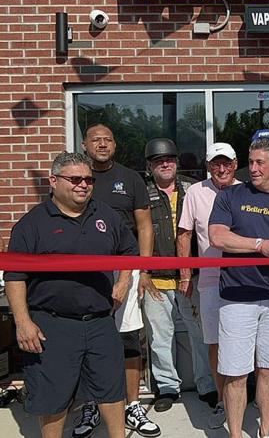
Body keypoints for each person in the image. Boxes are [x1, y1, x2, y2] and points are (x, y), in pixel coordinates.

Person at [4, 152, 138, 438]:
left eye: (89, 179)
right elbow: (14, 276)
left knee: (111, 389)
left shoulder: (106, 215)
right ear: (53, 181)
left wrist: (124, 281)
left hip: (100, 321)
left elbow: (129, 249)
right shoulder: (32, 224)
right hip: (52, 324)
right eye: (75, 179)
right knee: (53, 395)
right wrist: (23, 322)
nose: (83, 185)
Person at [208, 137, 269, 438]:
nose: (253, 168)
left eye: (260, 163)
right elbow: (217, 236)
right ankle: (236, 434)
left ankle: (267, 430)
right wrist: (258, 245)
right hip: (237, 297)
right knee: (236, 373)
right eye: (251, 162)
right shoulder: (230, 196)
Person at [75, 124, 159, 438]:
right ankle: (91, 405)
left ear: (115, 145)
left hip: (126, 269)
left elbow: (145, 226)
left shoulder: (131, 178)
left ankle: (132, 405)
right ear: (84, 145)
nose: (102, 144)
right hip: (86, 273)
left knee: (128, 339)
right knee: (86, 340)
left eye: (107, 139)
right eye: (95, 139)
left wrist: (144, 270)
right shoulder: (78, 178)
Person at [142, 138, 217, 412]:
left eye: (169, 159)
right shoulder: (143, 192)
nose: (165, 164)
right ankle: (167, 387)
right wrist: (143, 271)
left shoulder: (194, 189)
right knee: (160, 336)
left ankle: (206, 384)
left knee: (201, 333)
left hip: (193, 277)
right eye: (158, 161)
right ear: (149, 166)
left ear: (176, 162)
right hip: (156, 278)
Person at [177, 142, 241, 429]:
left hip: (244, 280)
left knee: (245, 342)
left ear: (235, 164)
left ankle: (250, 396)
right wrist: (185, 275)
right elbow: (184, 235)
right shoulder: (195, 192)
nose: (221, 168)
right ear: (208, 166)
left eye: (226, 163)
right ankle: (222, 400)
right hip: (210, 280)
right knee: (215, 343)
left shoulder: (247, 191)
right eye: (216, 163)